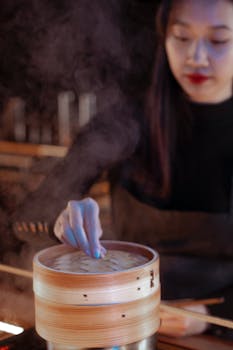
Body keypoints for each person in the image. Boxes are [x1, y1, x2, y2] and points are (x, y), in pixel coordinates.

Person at [12, 0, 233, 339]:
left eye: (218, 41)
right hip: (123, 319)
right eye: (181, 37)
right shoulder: (127, 118)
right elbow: (31, 214)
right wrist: (63, 212)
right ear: (164, 38)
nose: (196, 57)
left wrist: (210, 315)